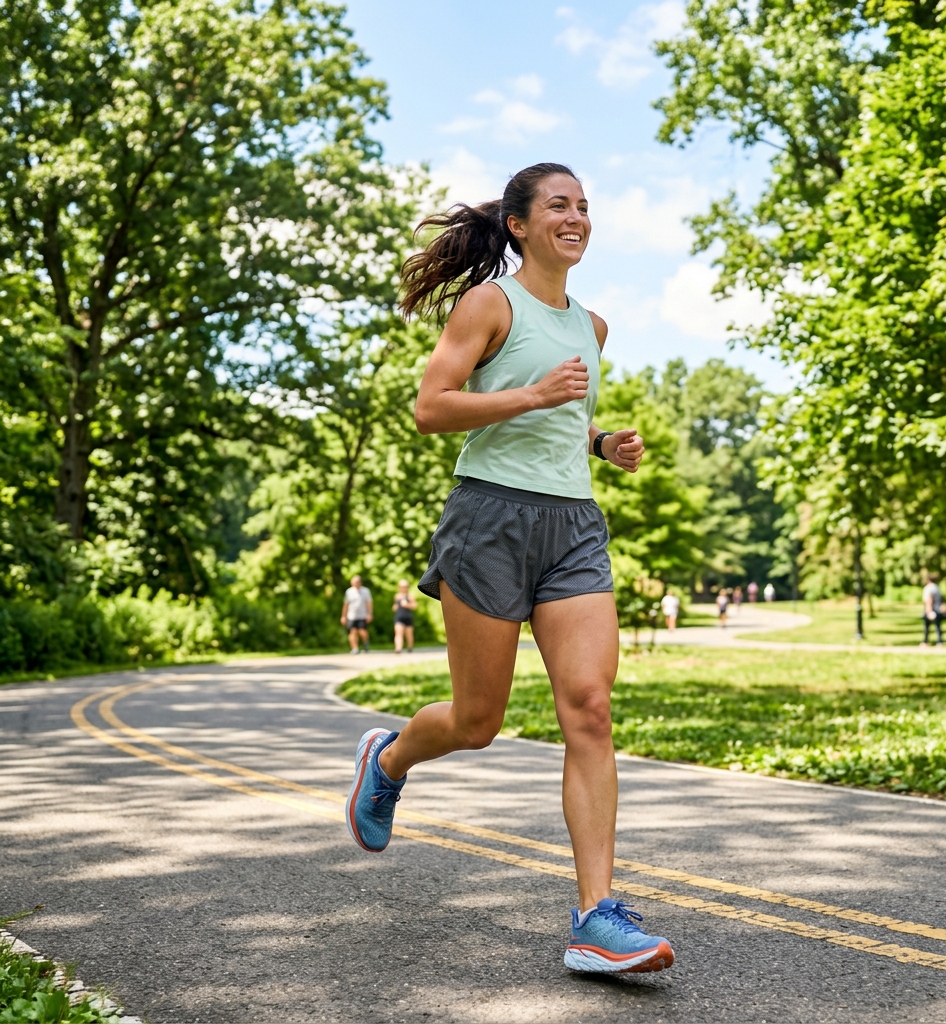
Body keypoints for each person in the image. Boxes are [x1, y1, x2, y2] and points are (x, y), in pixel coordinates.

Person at [344, 163, 674, 974]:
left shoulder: (593, 328)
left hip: (572, 527)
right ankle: (387, 761)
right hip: (489, 518)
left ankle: (596, 917)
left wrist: (604, 445)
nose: (577, 217)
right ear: (520, 224)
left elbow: (570, 422)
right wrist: (528, 396)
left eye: (586, 207)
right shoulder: (488, 302)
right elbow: (433, 407)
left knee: (590, 708)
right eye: (560, 205)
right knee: (476, 722)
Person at [341, 574, 373, 654]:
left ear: (360, 582)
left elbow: (369, 603)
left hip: (362, 615)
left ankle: (365, 644)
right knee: (352, 632)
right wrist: (343, 616)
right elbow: (346, 605)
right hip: (351, 615)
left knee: (362, 631)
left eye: (357, 582)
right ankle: (355, 648)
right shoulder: (349, 592)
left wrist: (369, 614)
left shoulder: (366, 591)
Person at [392, 579, 417, 653]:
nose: (403, 588)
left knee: (409, 634)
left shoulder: (410, 596)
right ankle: (398, 648)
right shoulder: (397, 596)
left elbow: (415, 606)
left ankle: (410, 648)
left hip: (408, 617)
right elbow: (395, 605)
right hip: (399, 617)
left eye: (405, 586)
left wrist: (407, 605)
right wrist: (395, 607)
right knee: (398, 633)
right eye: (402, 586)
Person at [921, 573, 945, 647]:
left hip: (931, 609)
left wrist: (929, 610)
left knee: (926, 626)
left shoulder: (928, 588)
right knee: (938, 626)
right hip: (938, 609)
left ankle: (925, 641)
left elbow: (929, 599)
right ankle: (939, 641)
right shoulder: (937, 588)